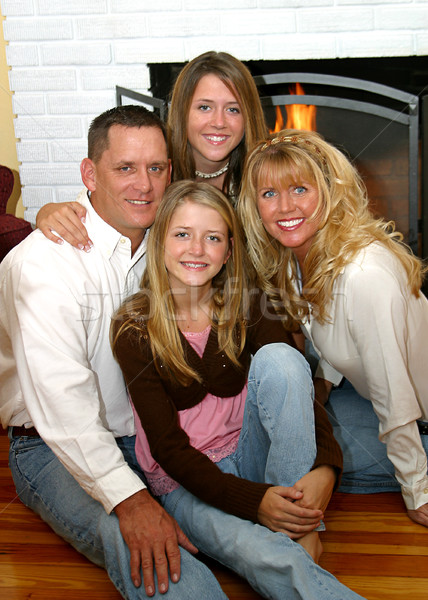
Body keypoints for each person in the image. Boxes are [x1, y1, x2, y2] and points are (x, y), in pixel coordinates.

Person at [0, 105, 229, 600]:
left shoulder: (165, 246)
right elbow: (63, 404)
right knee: (143, 544)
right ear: (90, 173)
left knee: (218, 523)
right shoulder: (43, 264)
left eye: (156, 168)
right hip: (51, 446)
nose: (144, 186)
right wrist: (130, 500)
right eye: (125, 168)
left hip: (148, 431)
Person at [110, 179, 366, 600]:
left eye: (212, 238)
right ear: (159, 244)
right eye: (182, 234)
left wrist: (325, 466)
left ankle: (297, 523)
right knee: (261, 553)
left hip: (252, 451)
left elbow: (296, 389)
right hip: (186, 484)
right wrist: (256, 503)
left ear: (227, 252)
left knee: (284, 360)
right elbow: (168, 450)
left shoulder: (246, 305)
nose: (196, 249)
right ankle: (291, 540)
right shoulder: (135, 329)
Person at [237, 128, 428, 528]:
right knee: (282, 436)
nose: (285, 207)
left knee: (300, 465)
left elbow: (395, 395)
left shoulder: (364, 274)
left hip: (414, 417)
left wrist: (416, 489)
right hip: (370, 400)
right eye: (269, 194)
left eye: (300, 189)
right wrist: (321, 386)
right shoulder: (296, 258)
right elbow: (340, 337)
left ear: (328, 190)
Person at [34, 51, 267, 250]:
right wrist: (48, 211)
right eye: (204, 107)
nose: (219, 122)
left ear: (249, 116)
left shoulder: (261, 179)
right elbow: (107, 199)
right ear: (182, 112)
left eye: (233, 110)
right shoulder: (154, 170)